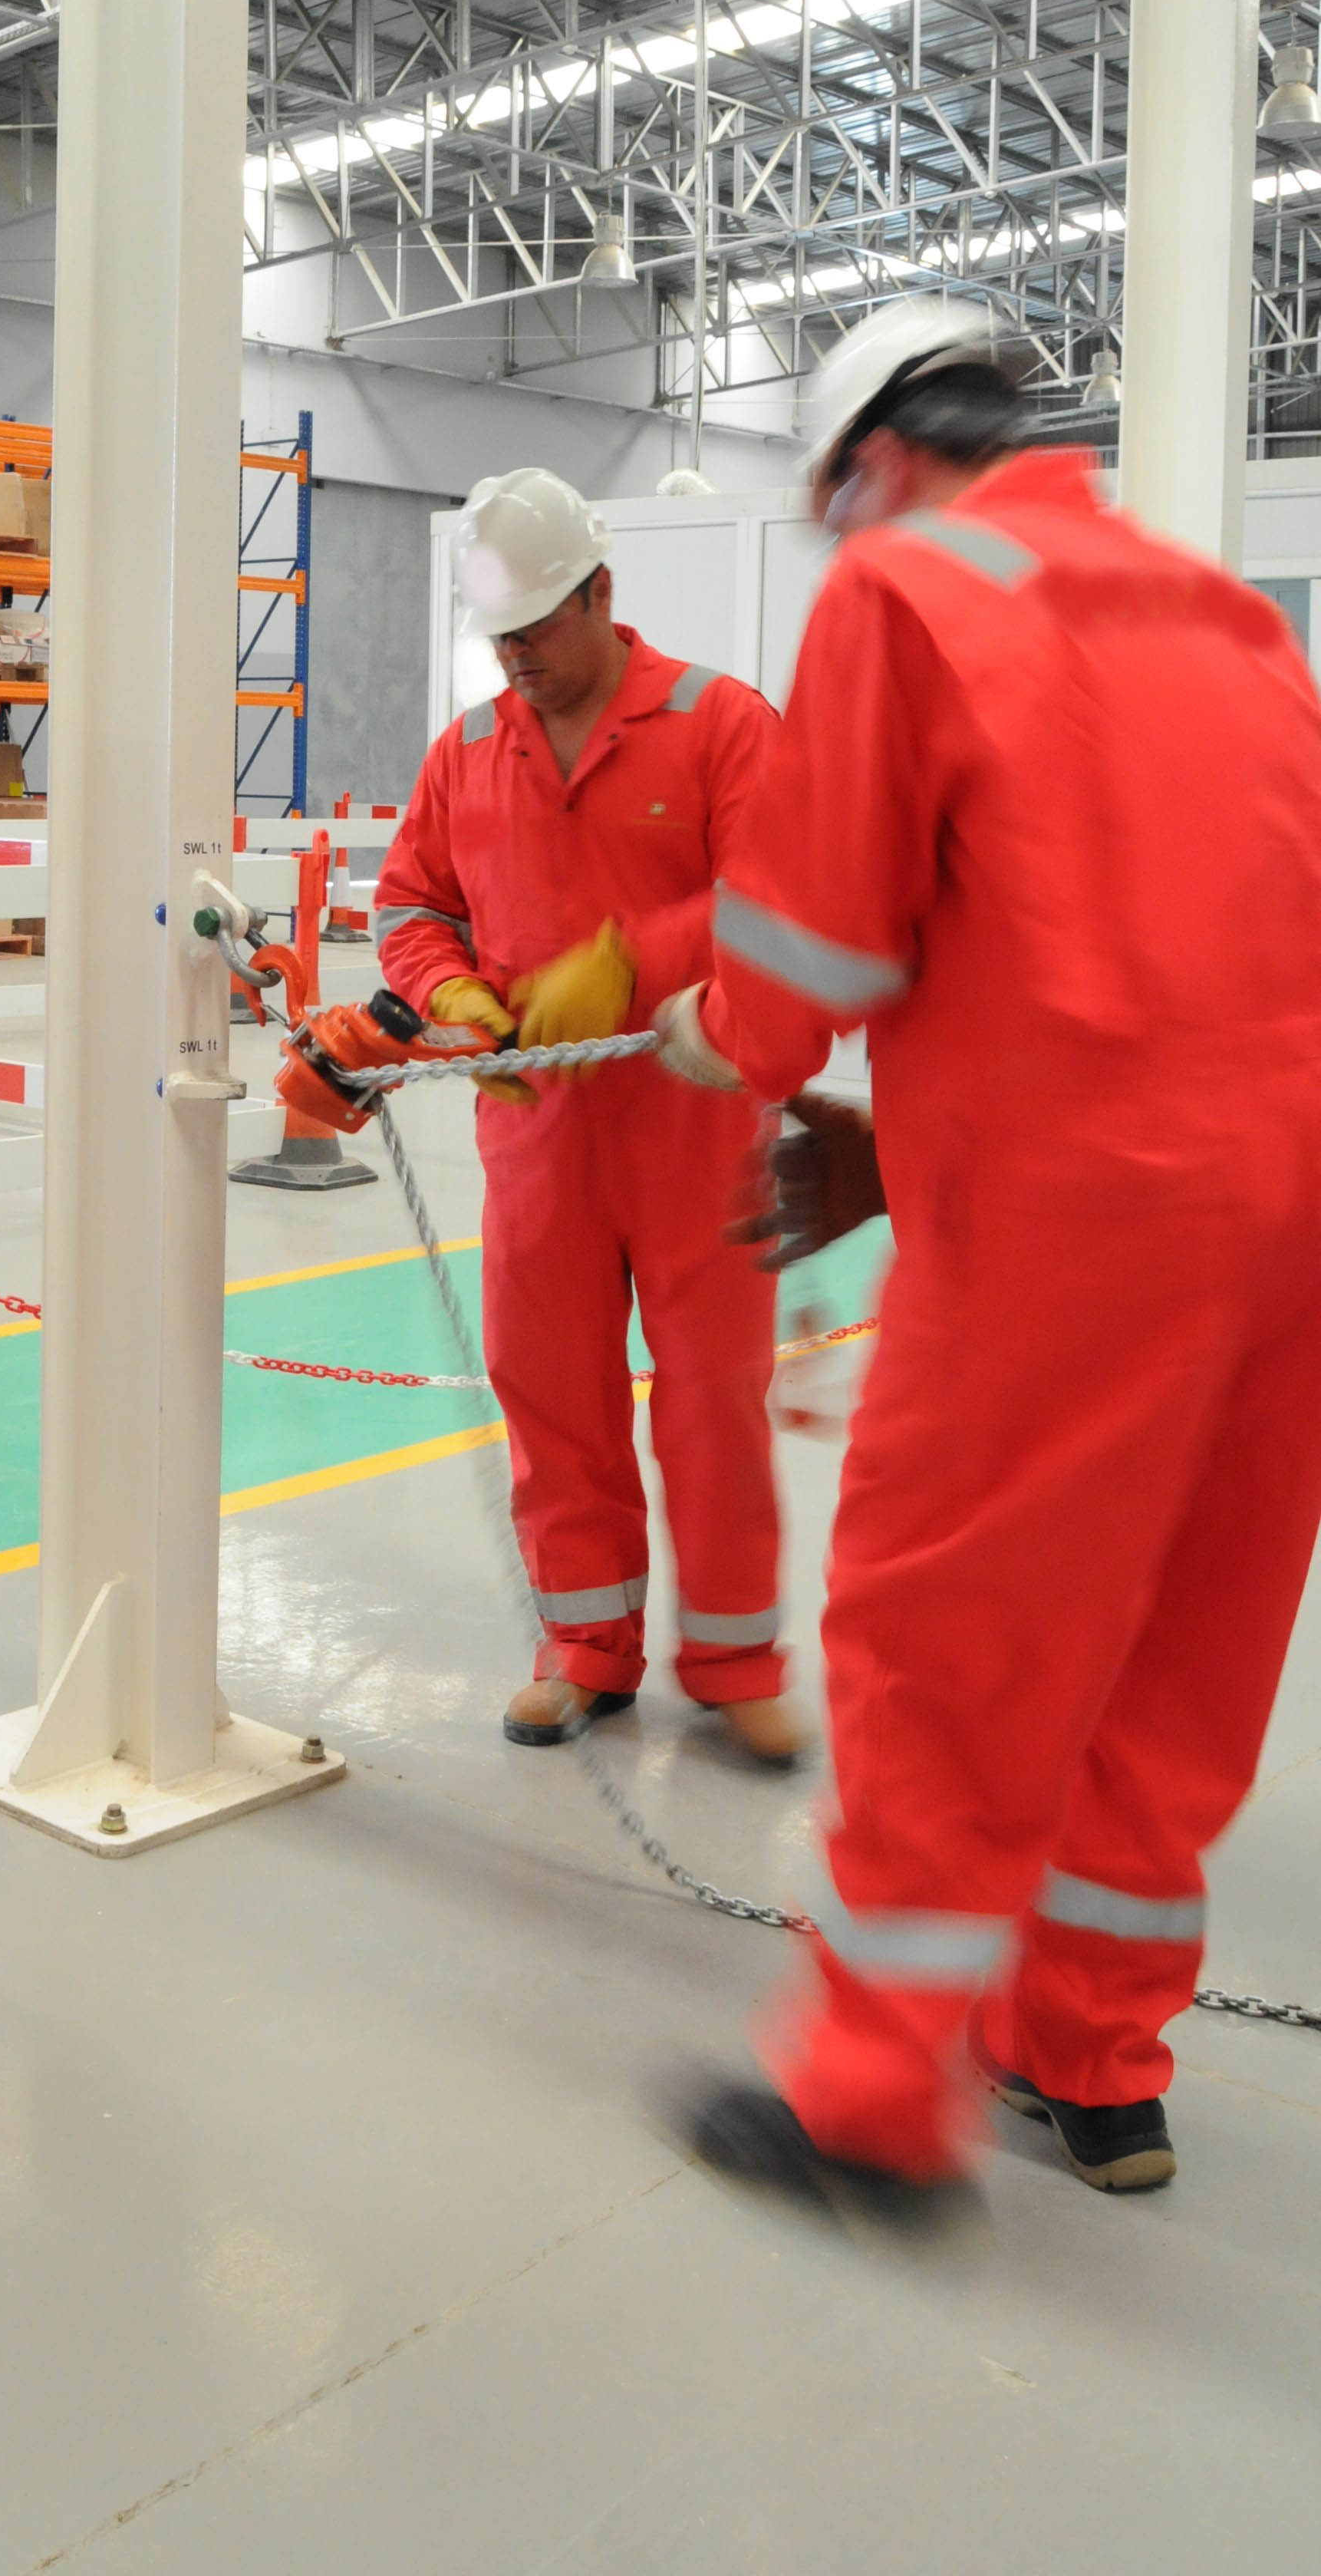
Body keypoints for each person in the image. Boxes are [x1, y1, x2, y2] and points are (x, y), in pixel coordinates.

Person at [656, 294, 1321, 2213]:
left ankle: (870, 2095)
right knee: (1178, 1653)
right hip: (1288, 1212)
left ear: (873, 461)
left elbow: (814, 942)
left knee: (948, 1640)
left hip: (1071, 1227)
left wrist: (722, 1031)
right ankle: (1092, 2058)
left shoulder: (908, 589)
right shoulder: (1221, 613)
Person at [368, 468, 799, 1765]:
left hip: (697, 1124)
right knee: (553, 1397)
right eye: (497, 638)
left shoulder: (721, 723)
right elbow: (410, 905)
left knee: (713, 1403)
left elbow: (785, 895)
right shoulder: (468, 751)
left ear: (601, 594)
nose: (516, 660)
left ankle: (735, 1659)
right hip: (538, 1137)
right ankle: (584, 1648)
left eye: (536, 631)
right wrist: (453, 996)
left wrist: (629, 961)